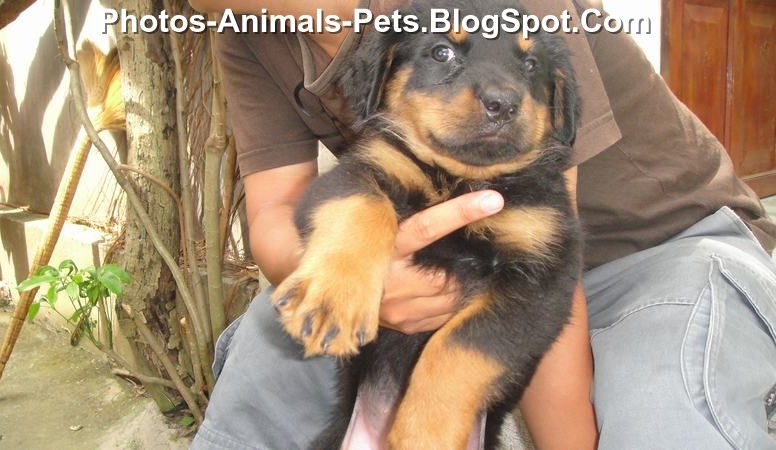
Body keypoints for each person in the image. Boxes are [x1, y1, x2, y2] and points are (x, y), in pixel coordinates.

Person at [187, 0, 776, 448]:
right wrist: (361, 275)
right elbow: (275, 211)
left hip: (663, 248)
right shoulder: (246, 27)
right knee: (271, 342)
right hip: (450, 251)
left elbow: (545, 274)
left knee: (663, 405)